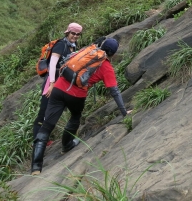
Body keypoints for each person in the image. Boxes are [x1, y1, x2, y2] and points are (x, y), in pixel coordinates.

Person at [31, 38, 130, 175]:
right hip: (76, 95)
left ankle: (36, 167)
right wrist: (124, 113)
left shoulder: (87, 52)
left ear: (100, 46)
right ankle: (66, 145)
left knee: (47, 125)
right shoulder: (106, 66)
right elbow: (114, 91)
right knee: (75, 116)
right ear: (112, 54)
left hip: (59, 88)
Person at [32, 22, 82, 145]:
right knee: (44, 111)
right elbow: (53, 64)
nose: (75, 36)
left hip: (62, 82)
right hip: (52, 81)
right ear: (67, 32)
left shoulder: (73, 46)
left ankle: (44, 139)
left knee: (52, 111)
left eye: (78, 34)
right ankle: (38, 141)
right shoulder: (61, 45)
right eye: (73, 33)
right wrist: (52, 84)